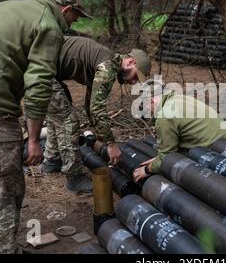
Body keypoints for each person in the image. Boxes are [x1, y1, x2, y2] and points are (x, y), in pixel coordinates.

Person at [0, 0, 89, 254]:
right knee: (5, 189)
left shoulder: (9, 8)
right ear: (65, 9)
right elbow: (40, 83)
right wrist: (33, 140)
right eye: (75, 16)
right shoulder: (49, 25)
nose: (73, 23)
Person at [41, 36, 151, 193]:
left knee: (59, 114)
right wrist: (111, 145)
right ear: (130, 62)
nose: (133, 82)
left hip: (44, 68)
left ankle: (52, 161)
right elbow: (97, 109)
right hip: (41, 69)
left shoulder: (106, 62)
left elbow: (90, 104)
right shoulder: (107, 68)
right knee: (68, 121)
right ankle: (74, 177)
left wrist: (100, 134)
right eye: (136, 75)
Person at [132, 80, 226, 183]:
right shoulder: (179, 98)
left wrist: (147, 169)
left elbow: (167, 158)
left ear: (151, 101)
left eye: (145, 106)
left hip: (217, 155)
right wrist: (158, 158)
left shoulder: (165, 117)